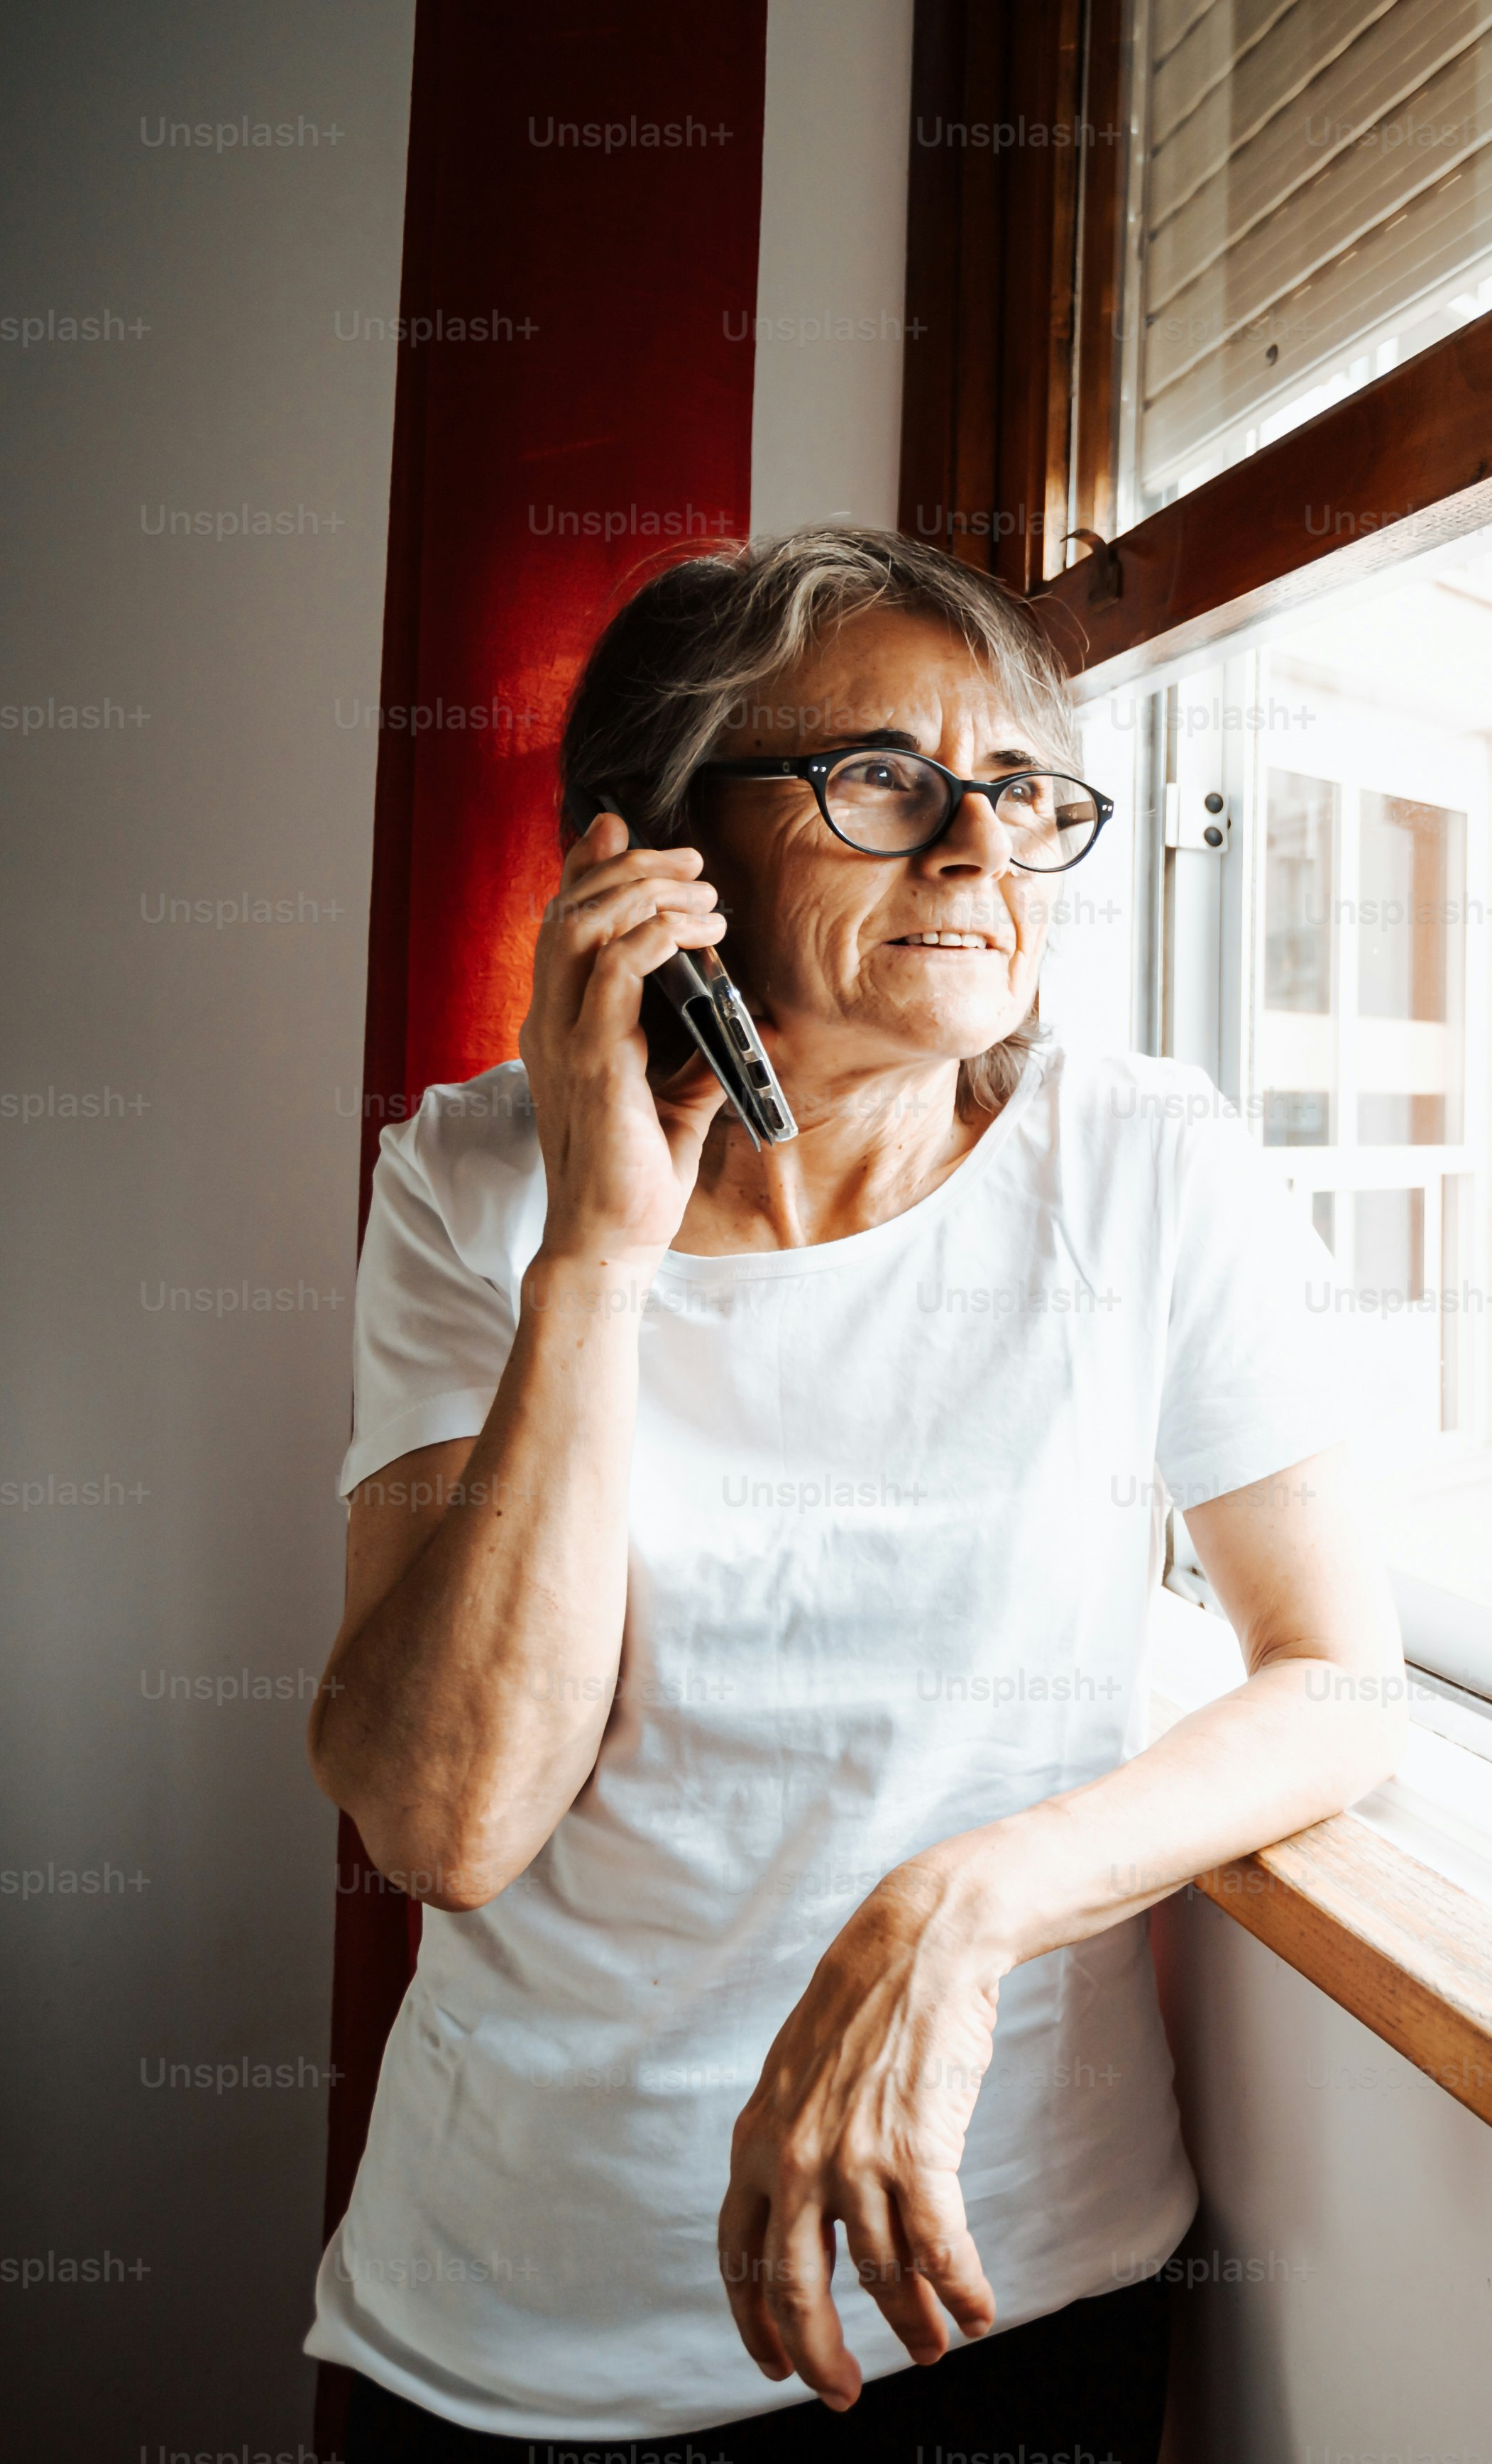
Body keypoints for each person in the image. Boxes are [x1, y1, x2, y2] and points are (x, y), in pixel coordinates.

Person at [303, 527, 1402, 2457]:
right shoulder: (476, 1183)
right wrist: (597, 1262)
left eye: (1022, 794)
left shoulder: (1143, 1162)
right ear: (653, 854)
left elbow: (1336, 1679)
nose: (982, 850)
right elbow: (446, 1816)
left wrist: (962, 1910)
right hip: (521, 2331)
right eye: (887, 779)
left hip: (994, 2291)